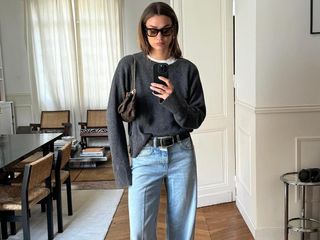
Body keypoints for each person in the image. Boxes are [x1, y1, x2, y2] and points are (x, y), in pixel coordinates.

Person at [107, 2, 206, 239]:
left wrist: (173, 101)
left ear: (174, 30)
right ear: (144, 31)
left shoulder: (188, 70)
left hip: (182, 153)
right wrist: (121, 168)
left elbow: (196, 119)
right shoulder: (129, 65)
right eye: (152, 30)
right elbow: (112, 116)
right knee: (140, 232)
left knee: (182, 230)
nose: (159, 36)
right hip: (144, 154)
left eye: (166, 30)